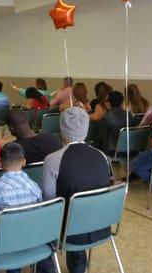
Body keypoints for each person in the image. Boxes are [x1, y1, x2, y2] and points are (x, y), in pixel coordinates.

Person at [43, 107, 111, 273]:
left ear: (62, 129)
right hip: (102, 226)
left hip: (70, 233)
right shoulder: (102, 156)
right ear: (86, 129)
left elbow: (49, 200)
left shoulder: (52, 160)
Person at [0, 142, 54, 273]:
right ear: (24, 162)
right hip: (34, 240)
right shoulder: (34, 186)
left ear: (0, 163)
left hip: (6, 246)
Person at [104, 91, 131, 155]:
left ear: (109, 103)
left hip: (112, 151)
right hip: (130, 150)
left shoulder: (107, 117)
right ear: (121, 102)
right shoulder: (129, 115)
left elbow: (103, 138)